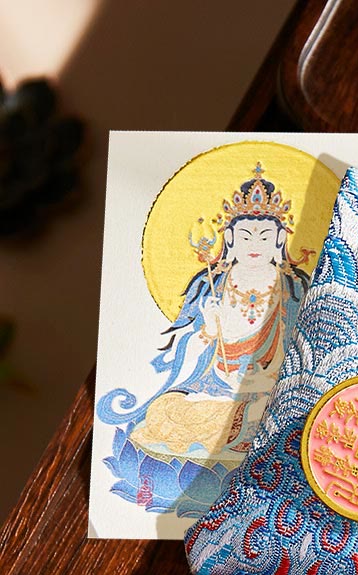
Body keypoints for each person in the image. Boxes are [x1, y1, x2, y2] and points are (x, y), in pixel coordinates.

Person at [97, 164, 311, 514]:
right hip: (214, 389)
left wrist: (264, 382)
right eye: (245, 236)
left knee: (263, 417)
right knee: (165, 411)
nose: (254, 245)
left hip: (266, 390)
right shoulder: (211, 284)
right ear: (230, 240)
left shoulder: (292, 288)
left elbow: (302, 348)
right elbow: (194, 351)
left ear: (279, 241)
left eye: (263, 237)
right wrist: (210, 326)